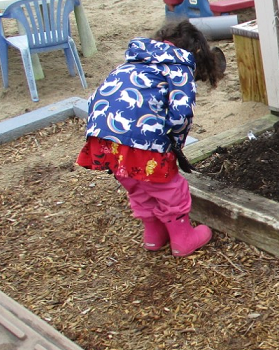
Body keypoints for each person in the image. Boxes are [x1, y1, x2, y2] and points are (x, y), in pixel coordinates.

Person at [76, 19, 226, 257]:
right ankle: (182, 238)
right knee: (169, 187)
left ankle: (154, 236)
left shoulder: (132, 62)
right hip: (141, 141)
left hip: (103, 137)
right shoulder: (179, 68)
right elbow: (181, 115)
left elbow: (98, 98)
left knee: (137, 184)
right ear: (197, 51)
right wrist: (175, 145)